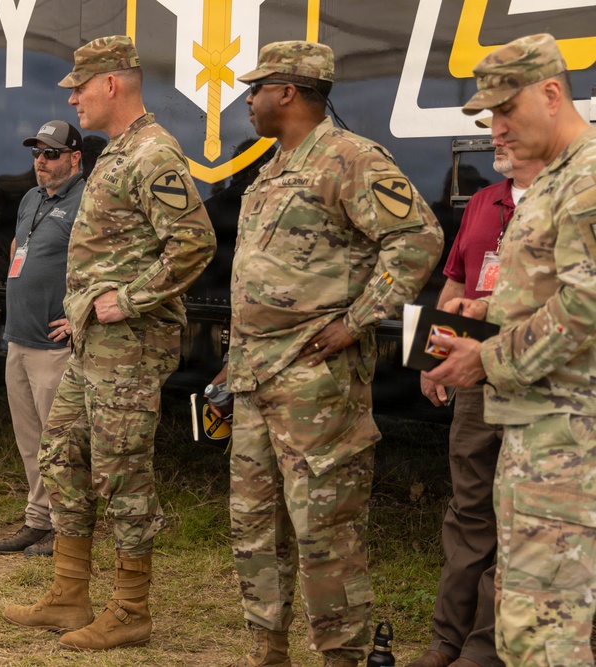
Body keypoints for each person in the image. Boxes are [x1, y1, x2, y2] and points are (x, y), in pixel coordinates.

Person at [214, 41, 442, 667]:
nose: (250, 100)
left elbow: (417, 238)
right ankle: (269, 649)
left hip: (317, 382)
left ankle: (341, 655)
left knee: (325, 529)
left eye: (256, 88)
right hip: (257, 375)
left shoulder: (351, 158)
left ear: (288, 91)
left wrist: (359, 320)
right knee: (254, 523)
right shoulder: (271, 167)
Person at [2, 35, 216, 651]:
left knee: (122, 475)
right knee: (62, 455)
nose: (71, 97)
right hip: (94, 347)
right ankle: (69, 592)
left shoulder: (152, 153)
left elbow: (194, 242)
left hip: (130, 346)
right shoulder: (119, 152)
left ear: (111, 84)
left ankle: (130, 609)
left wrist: (130, 298)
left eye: (78, 86)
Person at [426, 33, 596, 667]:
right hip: (533, 434)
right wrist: (485, 313)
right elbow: (546, 288)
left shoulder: (586, 179)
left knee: (546, 634)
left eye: (505, 110)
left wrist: (487, 356)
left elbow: (587, 306)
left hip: (567, 445)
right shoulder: (554, 181)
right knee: (525, 625)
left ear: (552, 93)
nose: (494, 128)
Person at [410, 123, 545, 667]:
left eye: (508, 131)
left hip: (533, 380)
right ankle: (448, 639)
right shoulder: (484, 201)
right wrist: (433, 362)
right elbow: (457, 285)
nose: (495, 141)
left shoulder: (568, 201)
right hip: (474, 379)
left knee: (516, 515)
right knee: (469, 509)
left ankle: (486, 648)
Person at [0, 120, 84, 559]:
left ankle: (67, 528)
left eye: (50, 153)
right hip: (20, 337)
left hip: (54, 345)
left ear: (74, 157)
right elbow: (18, 245)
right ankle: (37, 519)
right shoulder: (31, 198)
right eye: (36, 153)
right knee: (30, 440)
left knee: (59, 443)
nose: (41, 162)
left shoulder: (88, 200)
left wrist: (77, 314)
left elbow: (106, 260)